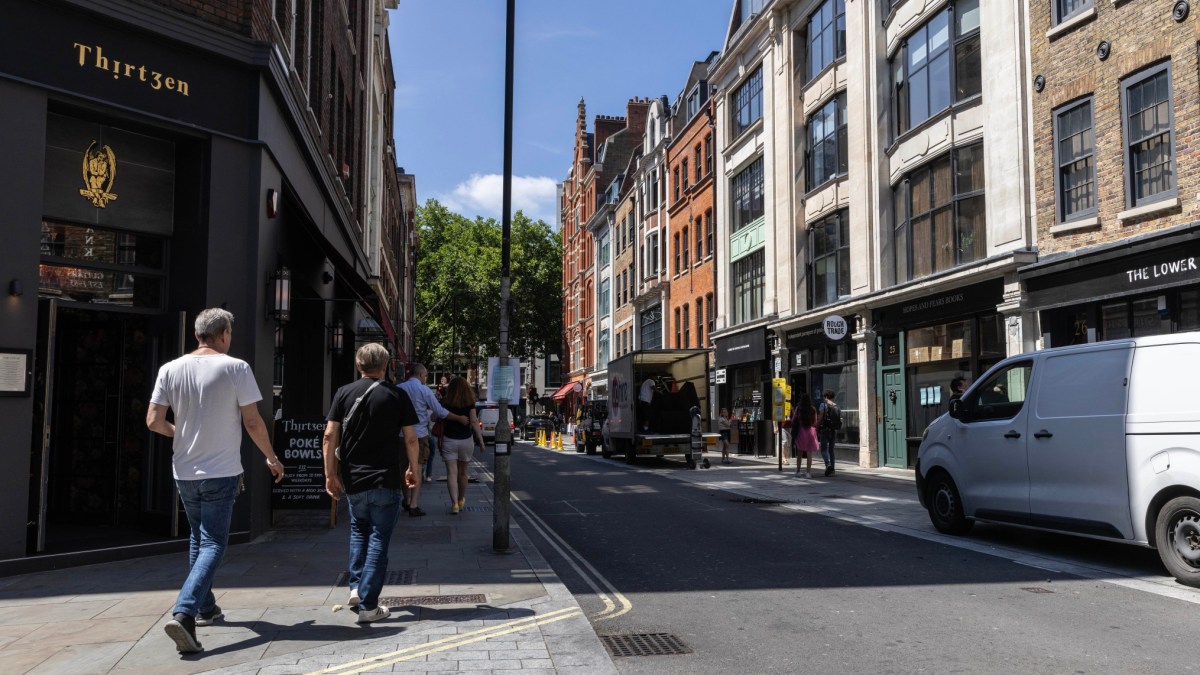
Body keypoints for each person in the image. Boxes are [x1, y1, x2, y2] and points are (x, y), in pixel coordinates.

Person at [146, 308, 285, 654]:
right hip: (221, 471)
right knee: (213, 544)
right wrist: (271, 457)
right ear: (223, 334)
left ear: (197, 335)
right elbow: (252, 422)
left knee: (198, 537)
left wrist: (181, 432)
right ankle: (185, 612)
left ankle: (206, 608)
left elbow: (152, 421)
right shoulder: (236, 367)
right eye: (230, 334)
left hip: (185, 472)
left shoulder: (169, 369)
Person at [322, 343, 419, 624]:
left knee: (358, 530)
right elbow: (411, 438)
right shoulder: (396, 394)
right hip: (384, 478)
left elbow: (329, 436)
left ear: (358, 365)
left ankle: (355, 587)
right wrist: (414, 469)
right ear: (386, 365)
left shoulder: (343, 393)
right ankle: (368, 605)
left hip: (353, 479)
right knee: (378, 538)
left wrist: (330, 474)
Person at [397, 363, 468, 517]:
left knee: (403, 468)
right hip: (419, 435)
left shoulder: (399, 388)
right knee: (417, 468)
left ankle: (407, 500)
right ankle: (414, 505)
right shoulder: (424, 390)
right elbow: (440, 412)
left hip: (401, 435)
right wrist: (459, 418)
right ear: (422, 374)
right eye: (426, 375)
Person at [439, 377, 486, 514]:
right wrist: (481, 441)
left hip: (449, 440)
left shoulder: (445, 402)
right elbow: (474, 422)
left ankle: (454, 504)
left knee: (451, 473)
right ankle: (460, 499)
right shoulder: (469, 402)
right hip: (466, 440)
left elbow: (435, 417)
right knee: (463, 473)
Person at [791, 393, 818, 479]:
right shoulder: (813, 409)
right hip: (811, 431)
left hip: (801, 431)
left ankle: (798, 471)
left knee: (799, 453)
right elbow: (815, 422)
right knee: (809, 453)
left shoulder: (799, 409)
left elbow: (793, 420)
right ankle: (808, 473)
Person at [816, 389, 840, 477]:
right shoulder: (836, 406)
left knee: (823, 449)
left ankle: (828, 464)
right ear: (832, 397)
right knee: (831, 450)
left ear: (825, 397)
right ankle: (832, 470)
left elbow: (820, 418)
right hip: (833, 430)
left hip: (825, 429)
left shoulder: (823, 405)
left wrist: (816, 427)